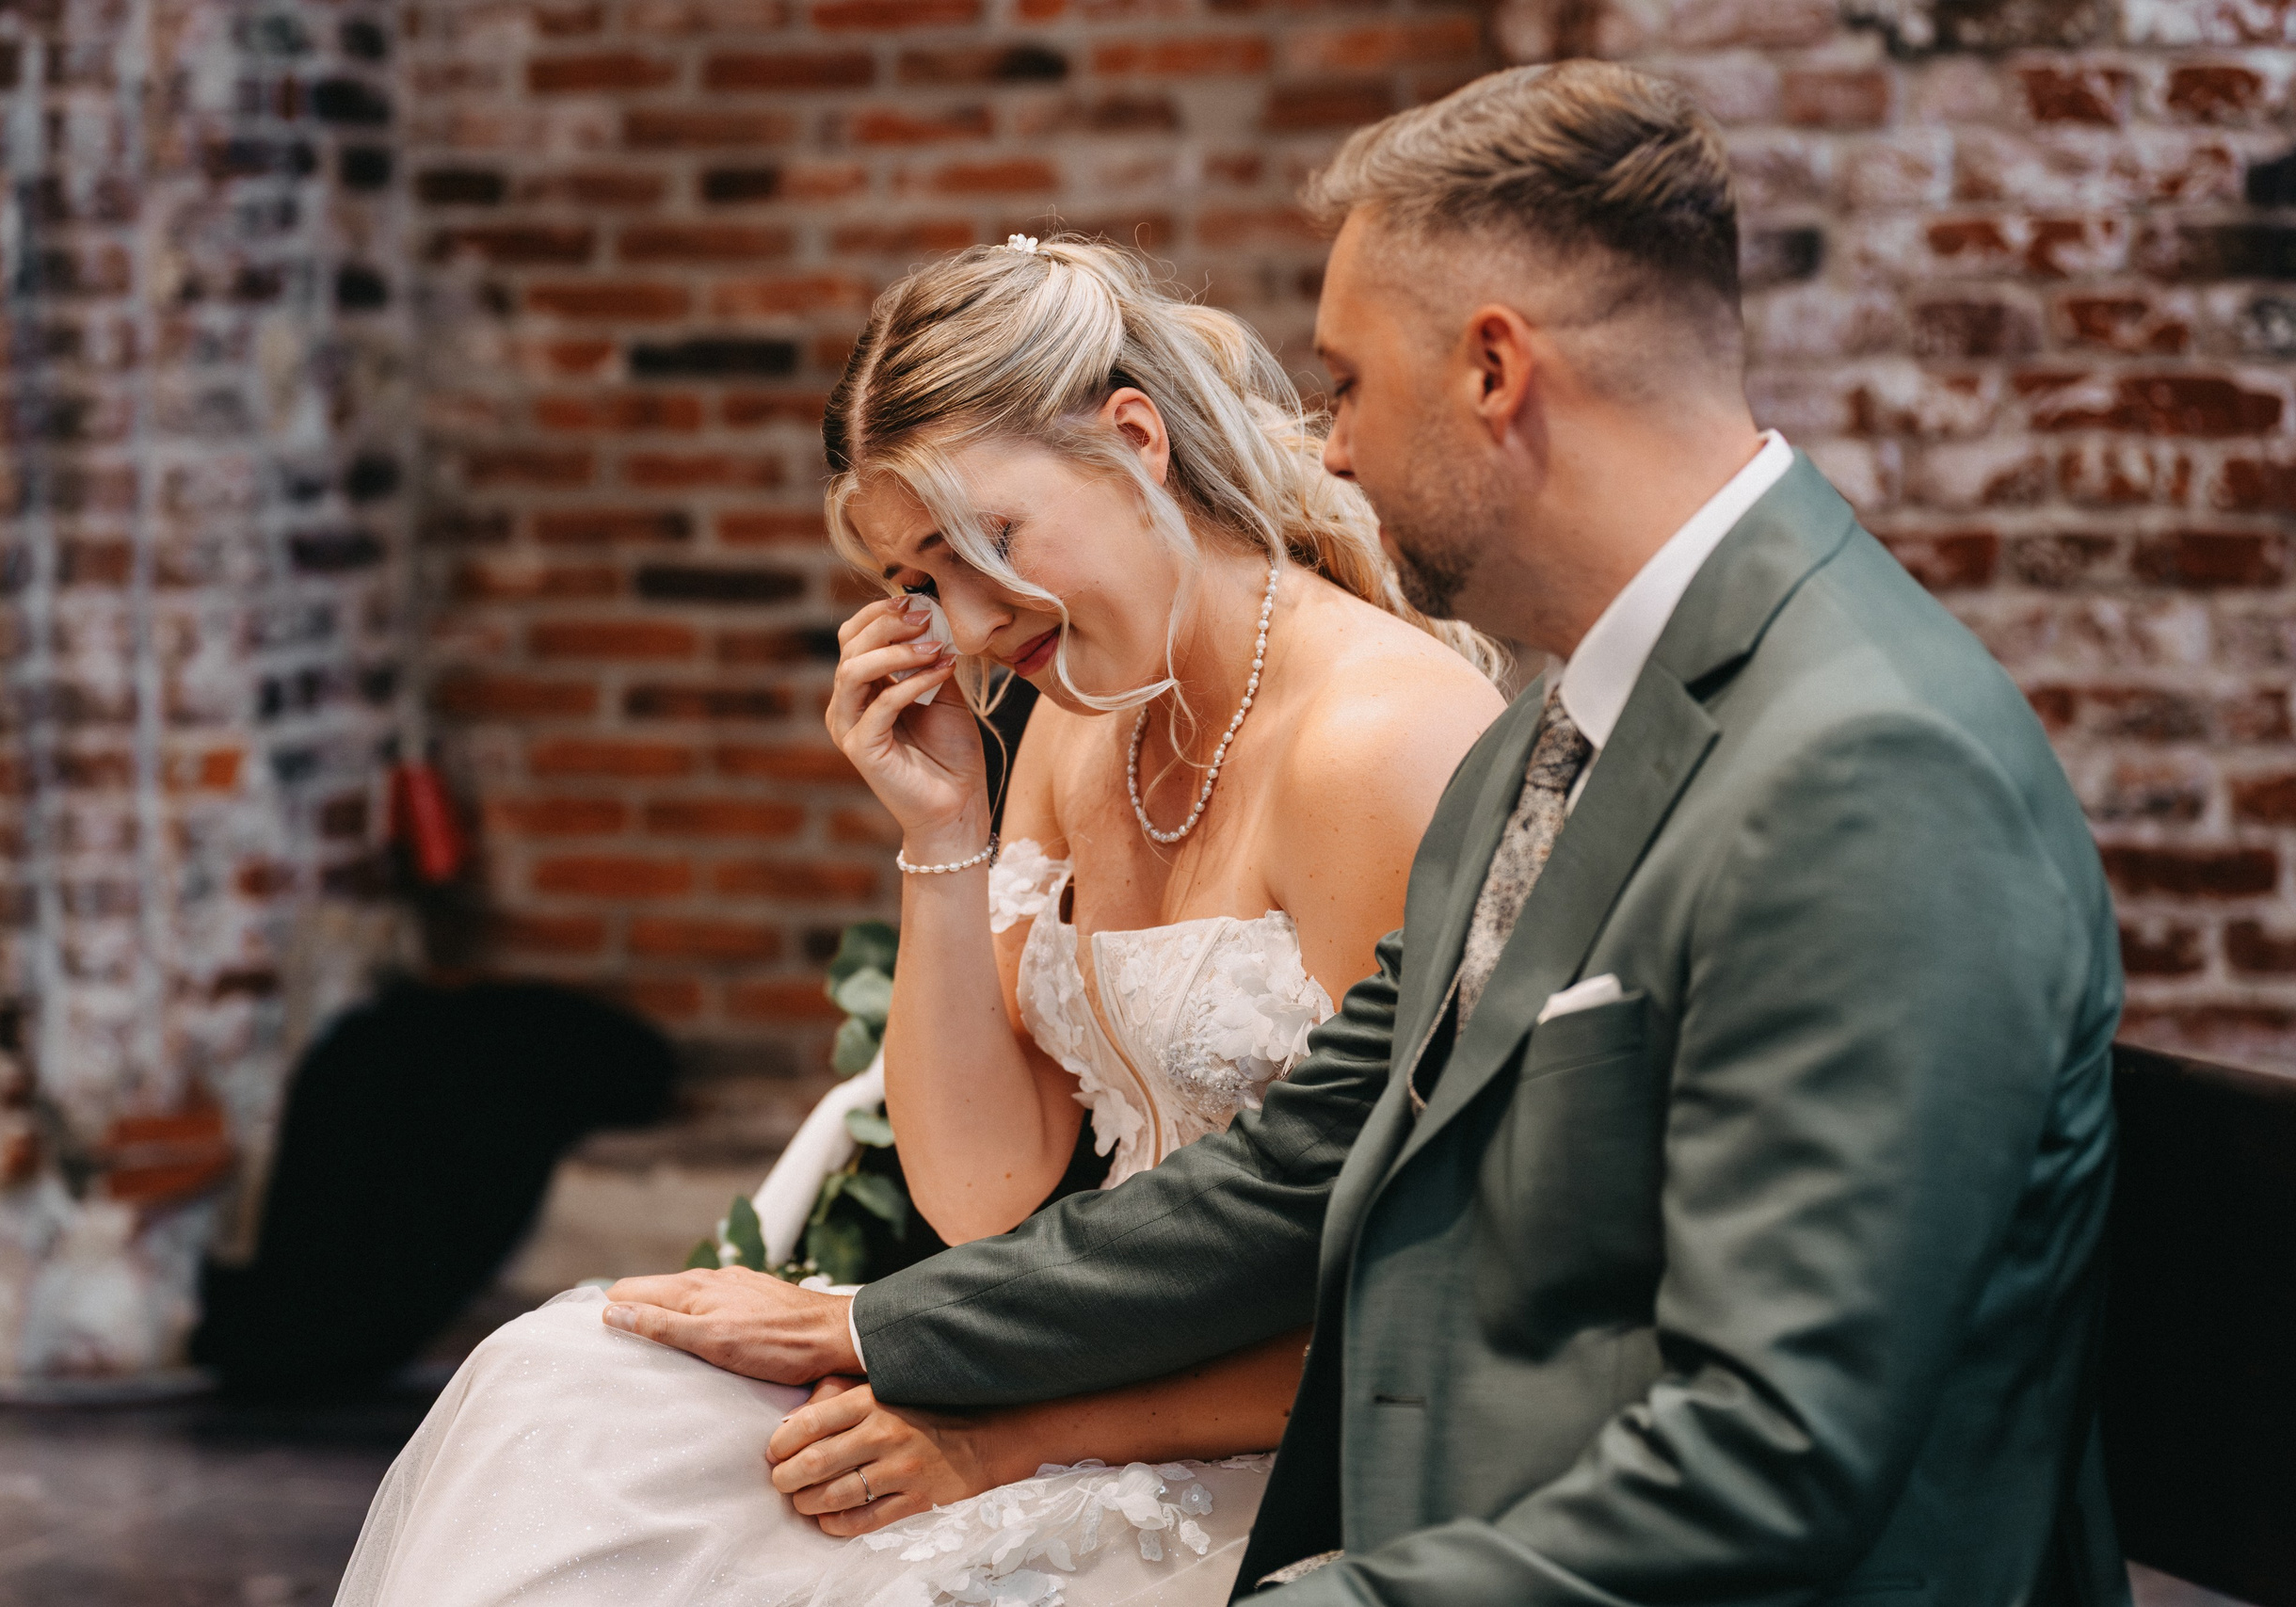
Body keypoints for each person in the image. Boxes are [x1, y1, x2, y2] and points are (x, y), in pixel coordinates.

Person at [618, 59, 2132, 1607]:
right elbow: (1299, 1167)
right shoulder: (1569, 723)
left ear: (1493, 370)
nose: (1324, 453)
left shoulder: (1870, 766)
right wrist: (884, 1332)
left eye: (1344, 384)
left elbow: (1780, 1453)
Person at [331, 237, 1505, 1606]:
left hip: (1288, 1438)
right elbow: (985, 1194)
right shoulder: (1083, 727)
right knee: (559, 1395)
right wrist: (939, 835)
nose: (969, 617)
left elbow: (1413, 1299)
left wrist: (985, 1412)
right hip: (1055, 1347)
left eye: (990, 541)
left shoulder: (1374, 744)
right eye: (922, 579)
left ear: (1137, 443)